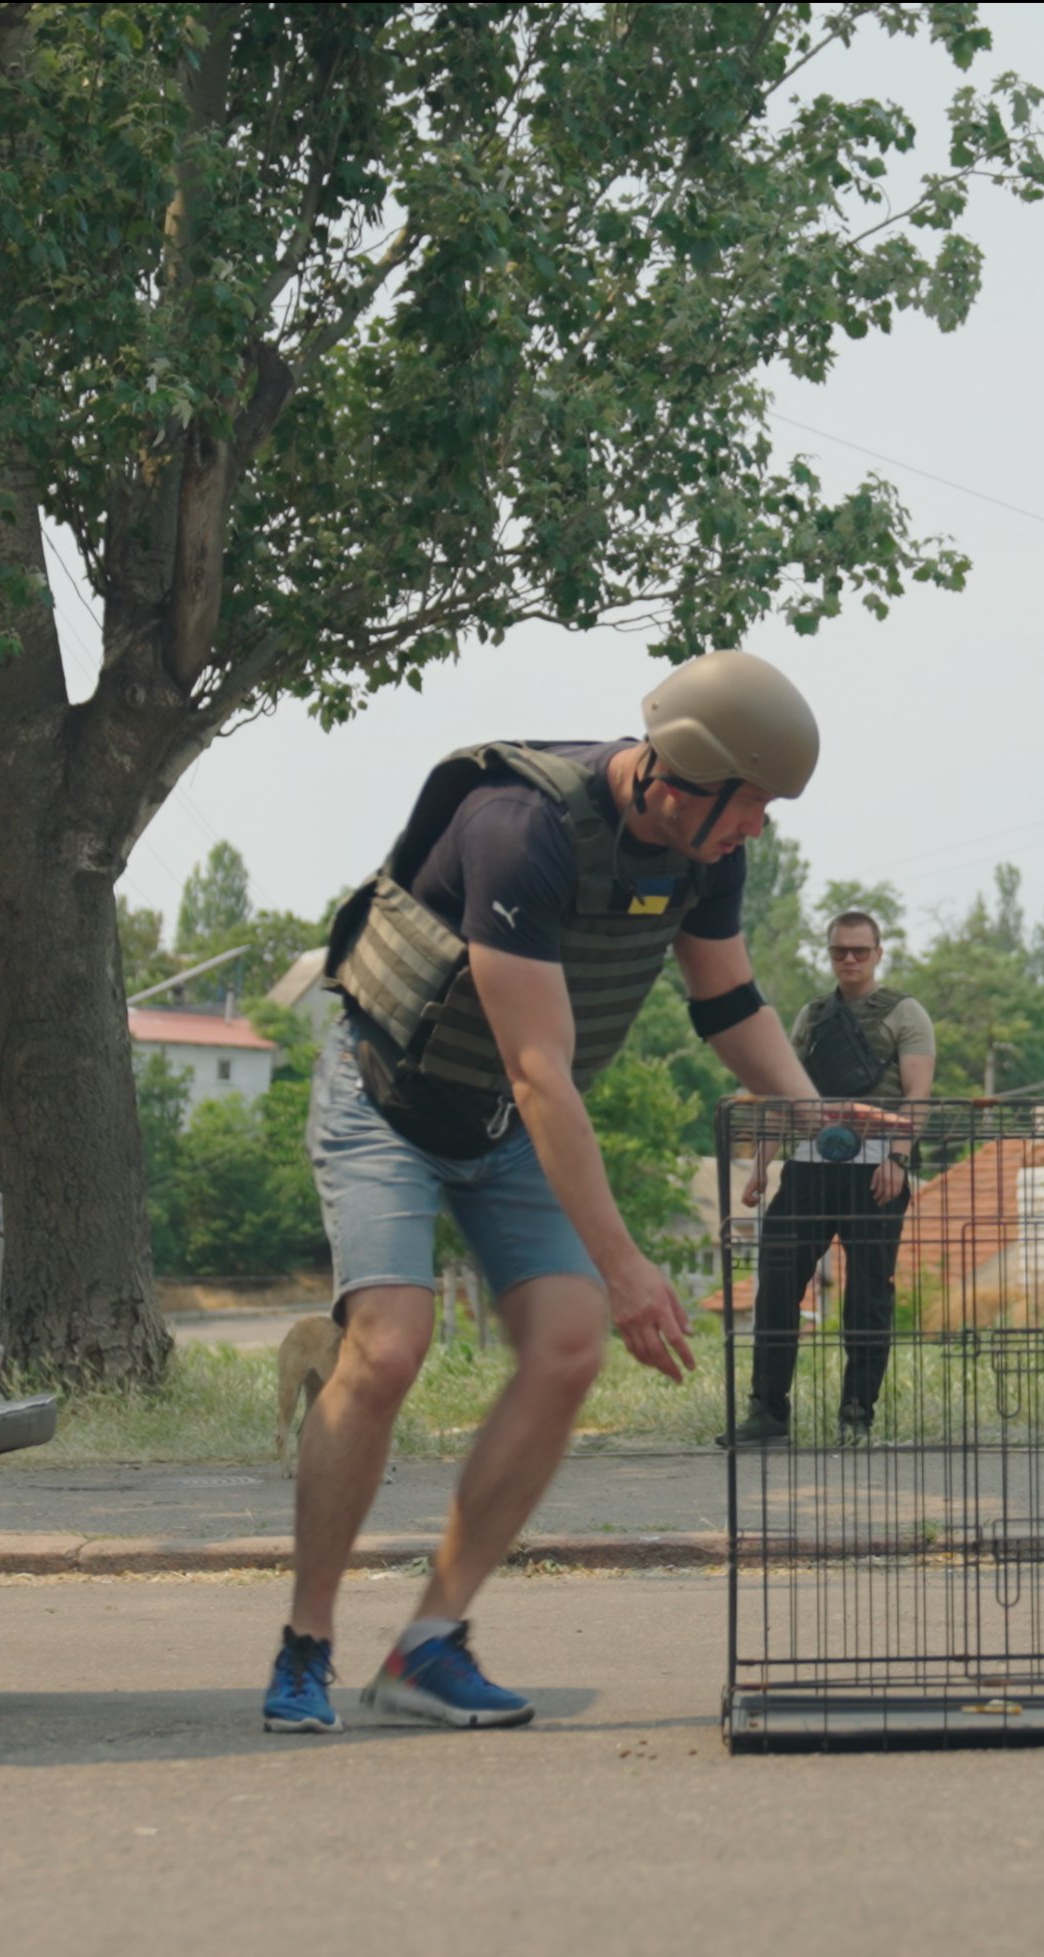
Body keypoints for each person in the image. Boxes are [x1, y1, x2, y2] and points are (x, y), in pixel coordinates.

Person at [265, 649, 876, 1734]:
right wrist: (626, 1264)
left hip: (503, 1134)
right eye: (755, 805)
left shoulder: (703, 855)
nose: (762, 829)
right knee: (392, 1345)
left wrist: (819, 1120)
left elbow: (726, 999)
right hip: (387, 1106)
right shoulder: (520, 828)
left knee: (564, 1342)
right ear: (688, 776)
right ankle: (305, 1646)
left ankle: (430, 1643)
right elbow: (541, 1070)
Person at [721, 909, 937, 1445]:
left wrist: (898, 1158)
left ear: (878, 953)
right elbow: (783, 1093)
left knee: (867, 1297)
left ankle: (857, 1415)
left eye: (860, 951)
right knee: (774, 1287)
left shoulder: (906, 1014)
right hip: (809, 1168)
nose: (850, 959)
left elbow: (918, 1096)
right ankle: (768, 1414)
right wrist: (762, 1166)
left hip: (876, 1175)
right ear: (830, 953)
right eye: (840, 950)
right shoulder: (813, 1015)